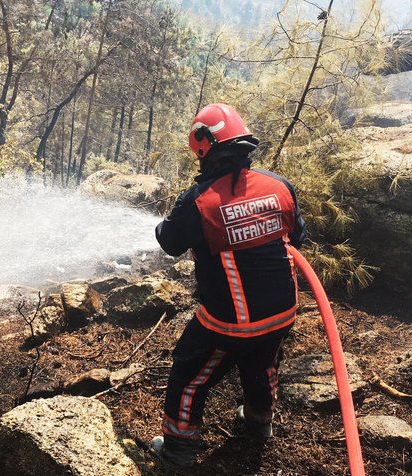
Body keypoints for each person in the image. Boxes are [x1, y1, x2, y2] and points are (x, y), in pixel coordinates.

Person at [151, 103, 307, 467]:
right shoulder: (280, 187)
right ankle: (258, 422)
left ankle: (179, 448)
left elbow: (169, 242)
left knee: (190, 375)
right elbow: (296, 238)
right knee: (262, 363)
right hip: (282, 313)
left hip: (230, 320)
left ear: (204, 145)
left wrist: (179, 215)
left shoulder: (200, 200)